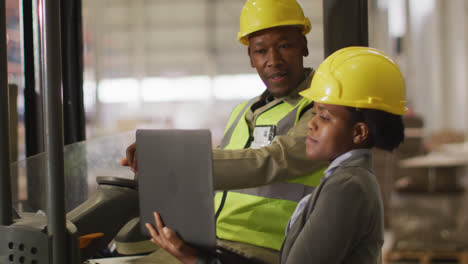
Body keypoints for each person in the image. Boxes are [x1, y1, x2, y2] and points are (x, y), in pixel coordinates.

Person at [144, 46, 407, 263]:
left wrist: (194, 260)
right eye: (314, 113)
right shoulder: (344, 179)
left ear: (359, 132)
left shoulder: (347, 187)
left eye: (324, 117)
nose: (312, 124)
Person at [121, 0, 326, 260]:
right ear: (250, 57)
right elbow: (220, 164)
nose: (273, 60)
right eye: (261, 51)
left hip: (265, 248)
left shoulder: (320, 110)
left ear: (304, 46)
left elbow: (273, 160)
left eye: (285, 46)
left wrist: (174, 158)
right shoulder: (243, 111)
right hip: (213, 239)